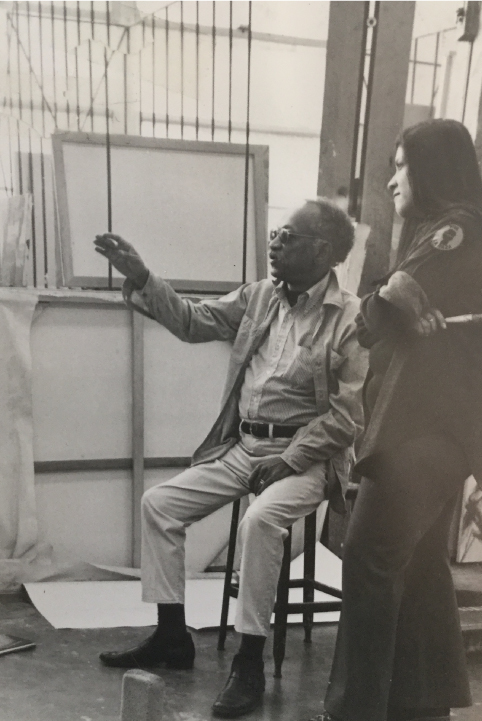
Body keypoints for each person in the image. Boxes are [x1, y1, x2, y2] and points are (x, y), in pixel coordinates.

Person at [93, 198, 367, 719]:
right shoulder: (262, 296)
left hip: (308, 458)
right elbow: (195, 322)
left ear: (324, 252)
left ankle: (249, 664)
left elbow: (347, 417)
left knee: (260, 523)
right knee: (160, 504)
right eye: (274, 234)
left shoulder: (349, 318)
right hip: (243, 447)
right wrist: (143, 275)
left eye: (287, 237)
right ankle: (173, 636)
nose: (274, 244)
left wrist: (288, 459)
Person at [308, 119, 482, 721]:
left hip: (424, 430)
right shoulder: (466, 229)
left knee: (367, 558)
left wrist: (388, 299)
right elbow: (397, 305)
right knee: (415, 565)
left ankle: (355, 713)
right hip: (443, 429)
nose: (393, 181)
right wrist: (396, 299)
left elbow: (376, 316)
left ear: (433, 170)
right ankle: (425, 706)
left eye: (401, 166)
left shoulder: (454, 230)